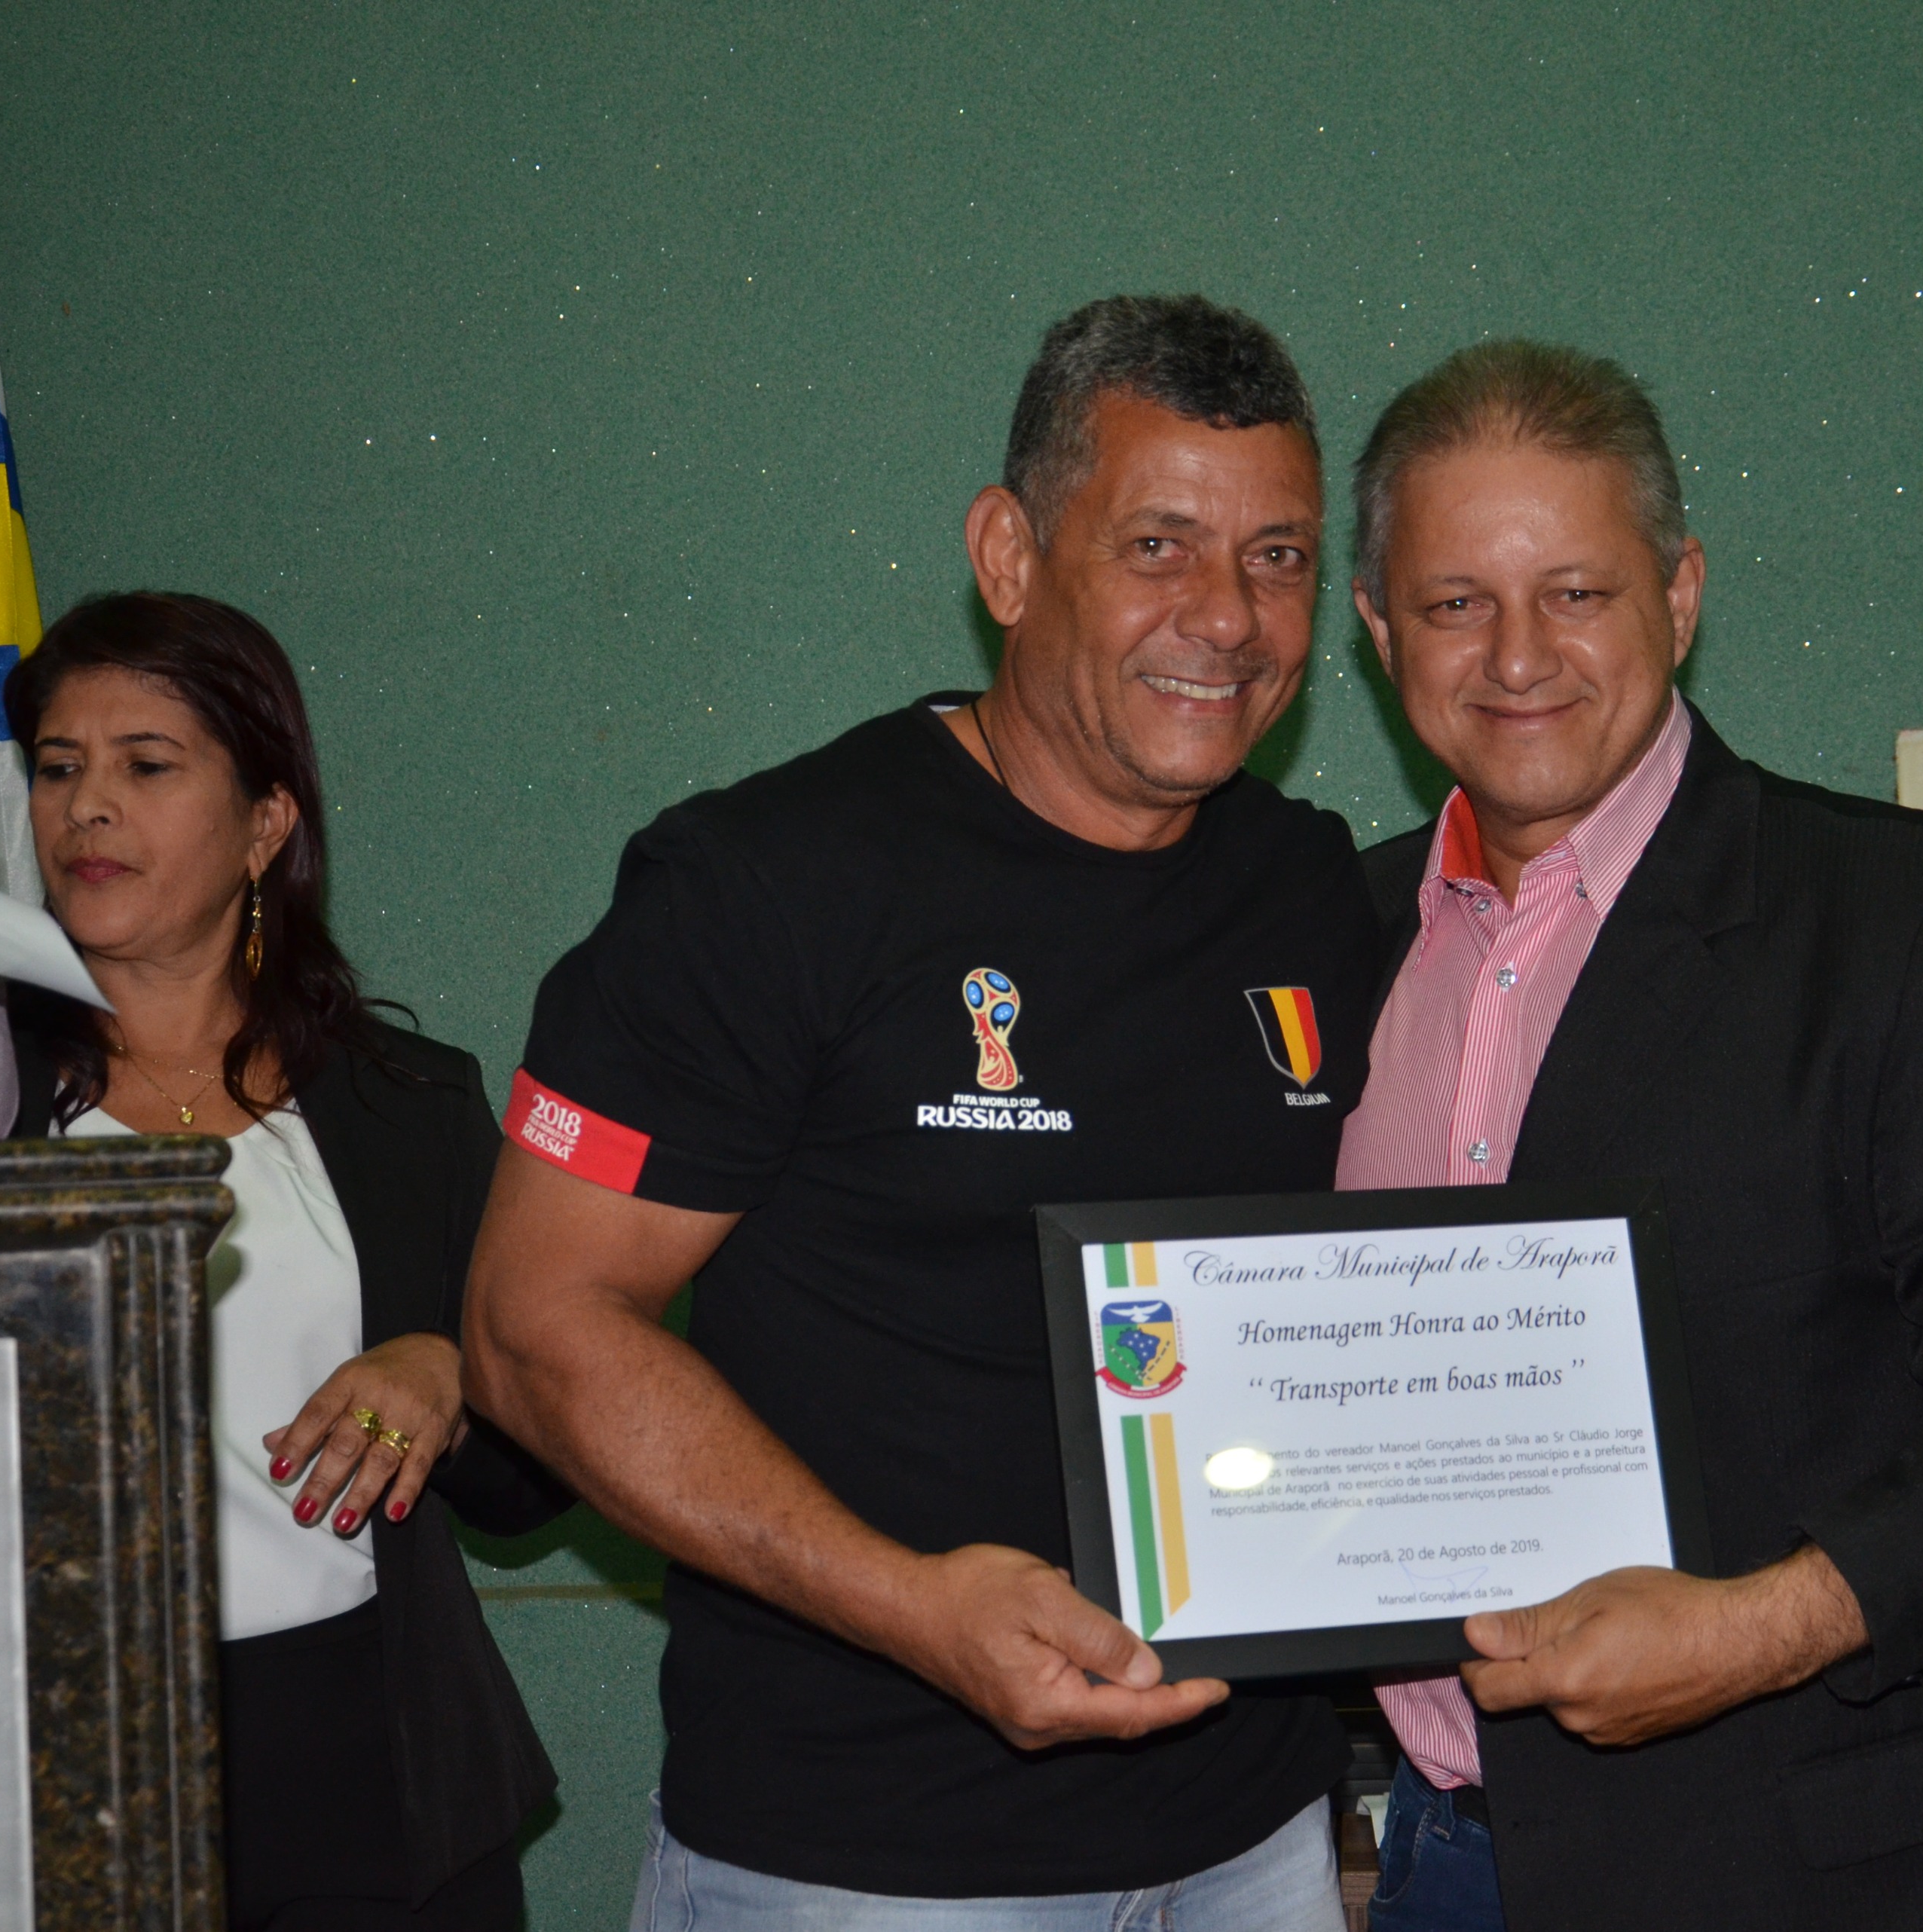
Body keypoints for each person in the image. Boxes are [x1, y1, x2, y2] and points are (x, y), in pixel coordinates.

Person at [460, 294, 1381, 1929]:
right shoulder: (767, 883)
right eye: (1158, 546)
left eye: (1279, 557)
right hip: (862, 1862)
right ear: (1009, 558)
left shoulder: (1311, 891)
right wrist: (912, 1609)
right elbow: (535, 1330)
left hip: (1254, 1842)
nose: (1230, 618)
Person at [1338, 341, 1923, 1930]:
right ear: (1381, 631)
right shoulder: (1339, 937)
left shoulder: (1916, 920)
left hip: (1823, 1874)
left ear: (1679, 597)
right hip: (1445, 1860)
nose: (1518, 655)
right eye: (1456, 601)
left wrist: (1757, 1629)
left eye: (1578, 593)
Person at [0, 593, 566, 1932]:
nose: (88, 807)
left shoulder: (406, 1103)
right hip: (41, 1766)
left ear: (266, 825)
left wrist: (452, 1370)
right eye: (58, 768)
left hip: (372, 1778)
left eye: (147, 766)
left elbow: (531, 1477)